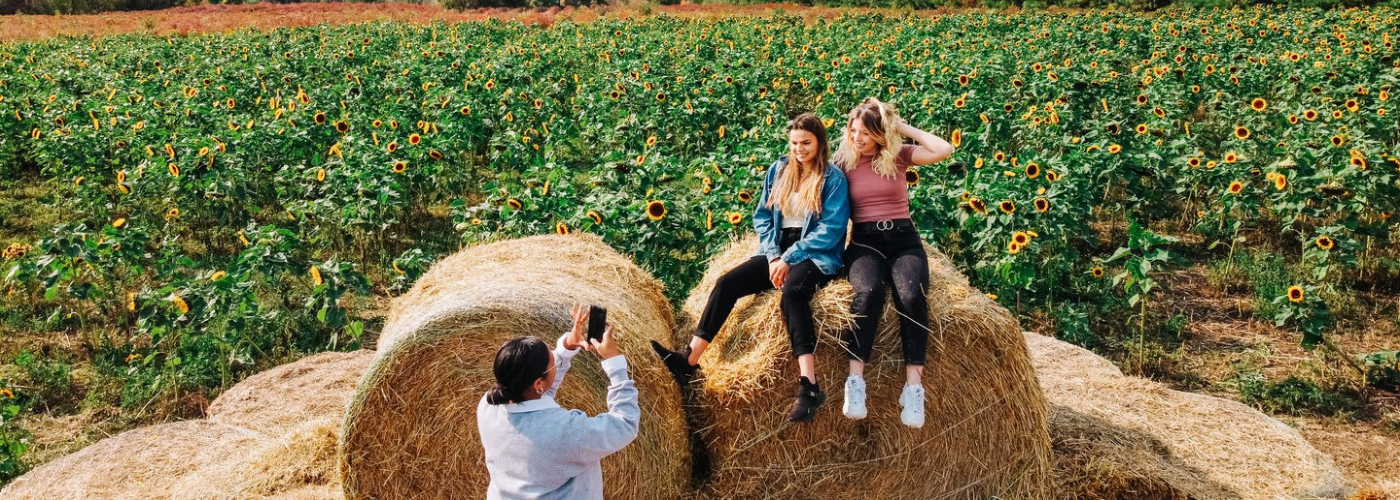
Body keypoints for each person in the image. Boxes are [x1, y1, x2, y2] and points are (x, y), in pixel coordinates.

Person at [651, 112, 850, 422]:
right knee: (726, 283)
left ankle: (809, 385)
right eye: (795, 142)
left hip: (815, 253)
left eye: (806, 143)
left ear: (819, 143)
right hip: (778, 249)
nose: (799, 149)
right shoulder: (779, 169)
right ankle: (689, 360)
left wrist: (790, 257)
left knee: (793, 293)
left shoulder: (832, 178)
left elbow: (831, 230)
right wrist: (772, 256)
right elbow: (762, 217)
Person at [832, 97, 954, 428]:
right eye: (853, 131)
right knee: (868, 292)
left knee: (912, 296)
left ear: (880, 134)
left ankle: (913, 387)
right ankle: (855, 381)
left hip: (903, 240)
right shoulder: (842, 162)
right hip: (864, 242)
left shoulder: (898, 157)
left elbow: (944, 149)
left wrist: (900, 126)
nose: (858, 138)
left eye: (866, 133)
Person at [477, 304, 637, 499]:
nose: (555, 357)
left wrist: (567, 346)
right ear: (538, 382)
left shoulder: (488, 405)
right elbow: (625, 424)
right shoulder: (566, 431)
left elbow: (538, 394)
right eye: (553, 359)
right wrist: (614, 362)